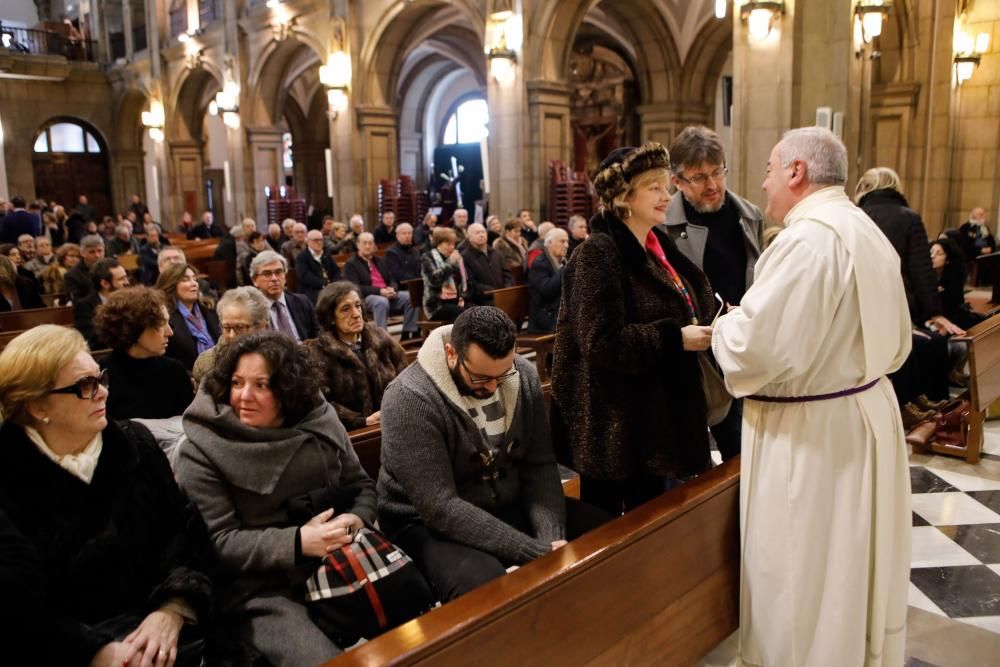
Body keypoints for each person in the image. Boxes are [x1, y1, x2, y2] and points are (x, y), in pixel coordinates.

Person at [712, 127, 911, 666]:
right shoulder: (861, 228)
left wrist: (721, 328)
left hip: (810, 437)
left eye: (771, 171)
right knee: (850, 562)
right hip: (859, 412)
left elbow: (759, 348)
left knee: (803, 570)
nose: (764, 183)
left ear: (797, 171)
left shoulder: (808, 239)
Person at [0, 325, 214, 667]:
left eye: (100, 378)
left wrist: (174, 609)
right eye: (85, 386)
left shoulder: (136, 444)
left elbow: (184, 534)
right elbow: (13, 605)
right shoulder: (9, 474)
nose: (101, 393)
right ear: (38, 406)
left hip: (162, 628)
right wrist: (93, 651)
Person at [378, 308, 609, 602]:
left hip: (501, 501)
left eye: (502, 375)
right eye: (480, 378)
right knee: (488, 590)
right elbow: (439, 507)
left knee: (604, 535)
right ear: (451, 353)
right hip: (422, 522)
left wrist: (550, 537)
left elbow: (539, 465)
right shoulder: (409, 398)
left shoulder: (521, 375)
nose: (492, 387)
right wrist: (534, 552)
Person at [177, 332, 377, 666]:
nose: (244, 396)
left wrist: (354, 520)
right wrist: (298, 542)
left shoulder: (319, 419)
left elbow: (362, 487)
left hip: (341, 556)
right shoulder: (202, 447)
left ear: (287, 389)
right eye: (237, 382)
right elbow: (219, 542)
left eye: (261, 385)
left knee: (420, 630)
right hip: (262, 590)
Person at [551, 143, 715, 516]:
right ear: (624, 196)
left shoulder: (658, 248)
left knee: (657, 524)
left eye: (666, 186)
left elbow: (692, 302)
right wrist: (675, 338)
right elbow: (601, 343)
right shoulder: (597, 253)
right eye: (654, 187)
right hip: (618, 426)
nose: (667, 195)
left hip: (658, 416)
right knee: (615, 535)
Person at [660, 125, 764, 462]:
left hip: (741, 344)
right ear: (677, 182)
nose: (713, 184)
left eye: (717, 171)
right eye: (699, 177)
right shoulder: (661, 225)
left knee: (746, 448)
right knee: (693, 456)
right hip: (692, 351)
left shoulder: (749, 215)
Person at [856, 167, 960, 419]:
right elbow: (921, 269)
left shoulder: (856, 216)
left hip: (862, 298)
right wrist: (934, 312)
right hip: (898, 299)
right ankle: (905, 404)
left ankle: (894, 406)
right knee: (902, 348)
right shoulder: (908, 217)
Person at [305, 281, 408, 430]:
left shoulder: (380, 338)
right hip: (353, 435)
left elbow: (405, 376)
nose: (356, 314)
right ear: (331, 318)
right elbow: (322, 405)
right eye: (345, 309)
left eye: (358, 305)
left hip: (395, 422)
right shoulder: (317, 353)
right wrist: (361, 421)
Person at [94, 286, 195, 419]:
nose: (170, 332)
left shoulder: (174, 371)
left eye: (168, 323)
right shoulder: (103, 374)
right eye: (161, 324)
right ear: (134, 328)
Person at [344, 232, 418, 339]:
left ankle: (407, 333)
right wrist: (379, 291)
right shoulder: (351, 264)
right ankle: (383, 338)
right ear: (358, 245)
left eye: (370, 243)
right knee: (381, 302)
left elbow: (392, 278)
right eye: (364, 243)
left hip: (387, 294)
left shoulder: (379, 260)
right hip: (367, 297)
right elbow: (355, 287)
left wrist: (392, 288)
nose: (368, 246)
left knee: (411, 297)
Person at [192, 286, 271, 386]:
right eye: (227, 327)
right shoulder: (206, 365)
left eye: (240, 327)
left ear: (261, 327)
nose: (232, 335)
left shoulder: (280, 359)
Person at [157, 263, 220, 371]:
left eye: (195, 279)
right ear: (171, 284)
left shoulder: (210, 309)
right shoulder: (165, 317)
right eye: (186, 280)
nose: (194, 284)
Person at [250, 250, 318, 342]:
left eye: (279, 272)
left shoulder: (302, 302)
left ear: (285, 277)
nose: (274, 278)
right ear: (255, 280)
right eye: (267, 274)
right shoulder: (250, 310)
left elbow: (317, 335)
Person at [73, 258, 129, 348]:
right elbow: (90, 338)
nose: (127, 282)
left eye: (126, 277)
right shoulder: (84, 306)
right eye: (121, 279)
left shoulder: (132, 300)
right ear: (105, 284)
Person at [932, 237, 984, 330]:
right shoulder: (926, 276)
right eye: (931, 252)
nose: (932, 256)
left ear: (948, 259)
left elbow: (952, 307)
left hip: (952, 318)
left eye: (939, 253)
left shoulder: (954, 277)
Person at [421, 227, 468, 322]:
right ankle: (460, 337)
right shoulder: (428, 257)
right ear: (438, 243)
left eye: (453, 244)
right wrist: (450, 263)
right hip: (437, 305)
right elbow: (434, 280)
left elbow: (463, 281)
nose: (452, 247)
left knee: (476, 309)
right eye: (448, 244)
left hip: (456, 301)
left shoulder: (456, 258)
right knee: (461, 313)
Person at [527, 227, 568, 333]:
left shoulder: (562, 262)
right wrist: (564, 270)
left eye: (567, 241)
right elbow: (547, 290)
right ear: (549, 243)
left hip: (558, 312)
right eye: (562, 241)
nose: (566, 245)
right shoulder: (539, 264)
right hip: (545, 317)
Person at [462, 222, 512, 305]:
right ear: (469, 237)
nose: (482, 235)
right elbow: (470, 282)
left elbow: (507, 273)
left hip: (502, 295)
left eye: (483, 232)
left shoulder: (496, 253)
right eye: (477, 233)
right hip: (482, 300)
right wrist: (492, 291)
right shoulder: (465, 257)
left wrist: (507, 288)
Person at [295, 229, 343, 305]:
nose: (319, 242)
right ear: (308, 242)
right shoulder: (302, 257)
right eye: (316, 240)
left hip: (331, 287)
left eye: (321, 240)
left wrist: (335, 284)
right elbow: (305, 276)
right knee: (328, 299)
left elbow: (336, 271)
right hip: (312, 289)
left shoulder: (326, 253)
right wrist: (324, 285)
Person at [64, 234, 106, 301]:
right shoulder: (72, 275)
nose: (97, 255)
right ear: (83, 253)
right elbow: (77, 301)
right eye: (92, 252)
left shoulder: (111, 268)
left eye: (100, 251)